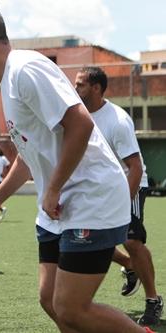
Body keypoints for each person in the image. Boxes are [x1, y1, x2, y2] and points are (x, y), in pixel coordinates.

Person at [0, 6, 152, 333]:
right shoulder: (7, 82)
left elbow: (81, 124)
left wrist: (52, 188)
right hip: (57, 210)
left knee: (71, 308)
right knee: (50, 301)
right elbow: (27, 154)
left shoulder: (25, 69)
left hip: (91, 199)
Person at [75, 66, 163, 326]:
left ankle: (153, 299)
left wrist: (122, 204)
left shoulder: (117, 120)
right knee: (83, 235)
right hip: (95, 186)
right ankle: (129, 264)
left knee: (132, 240)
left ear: (96, 88)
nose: (75, 88)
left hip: (129, 183)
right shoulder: (75, 115)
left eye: (80, 84)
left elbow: (135, 167)